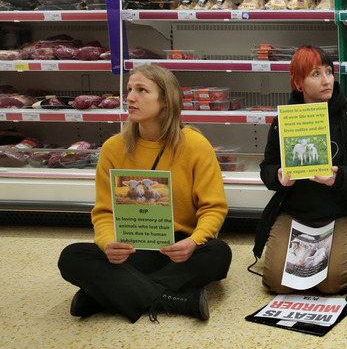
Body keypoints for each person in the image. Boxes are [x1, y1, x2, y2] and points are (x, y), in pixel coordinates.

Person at [58, 64, 232, 323]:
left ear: (165, 100)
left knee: (219, 253)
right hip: (131, 245)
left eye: (141, 90)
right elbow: (104, 211)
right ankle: (173, 299)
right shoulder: (113, 148)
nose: (129, 97)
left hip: (176, 248)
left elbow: (213, 207)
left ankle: (102, 295)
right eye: (129, 89)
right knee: (71, 257)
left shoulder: (195, 144)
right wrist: (108, 244)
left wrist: (194, 241)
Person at [253, 45, 347, 294]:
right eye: (316, 74)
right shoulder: (284, 121)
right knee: (277, 283)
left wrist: (341, 177)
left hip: (342, 214)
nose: (327, 80)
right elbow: (266, 167)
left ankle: (334, 255)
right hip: (294, 214)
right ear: (298, 83)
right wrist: (277, 176)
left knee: (332, 284)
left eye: (329, 71)